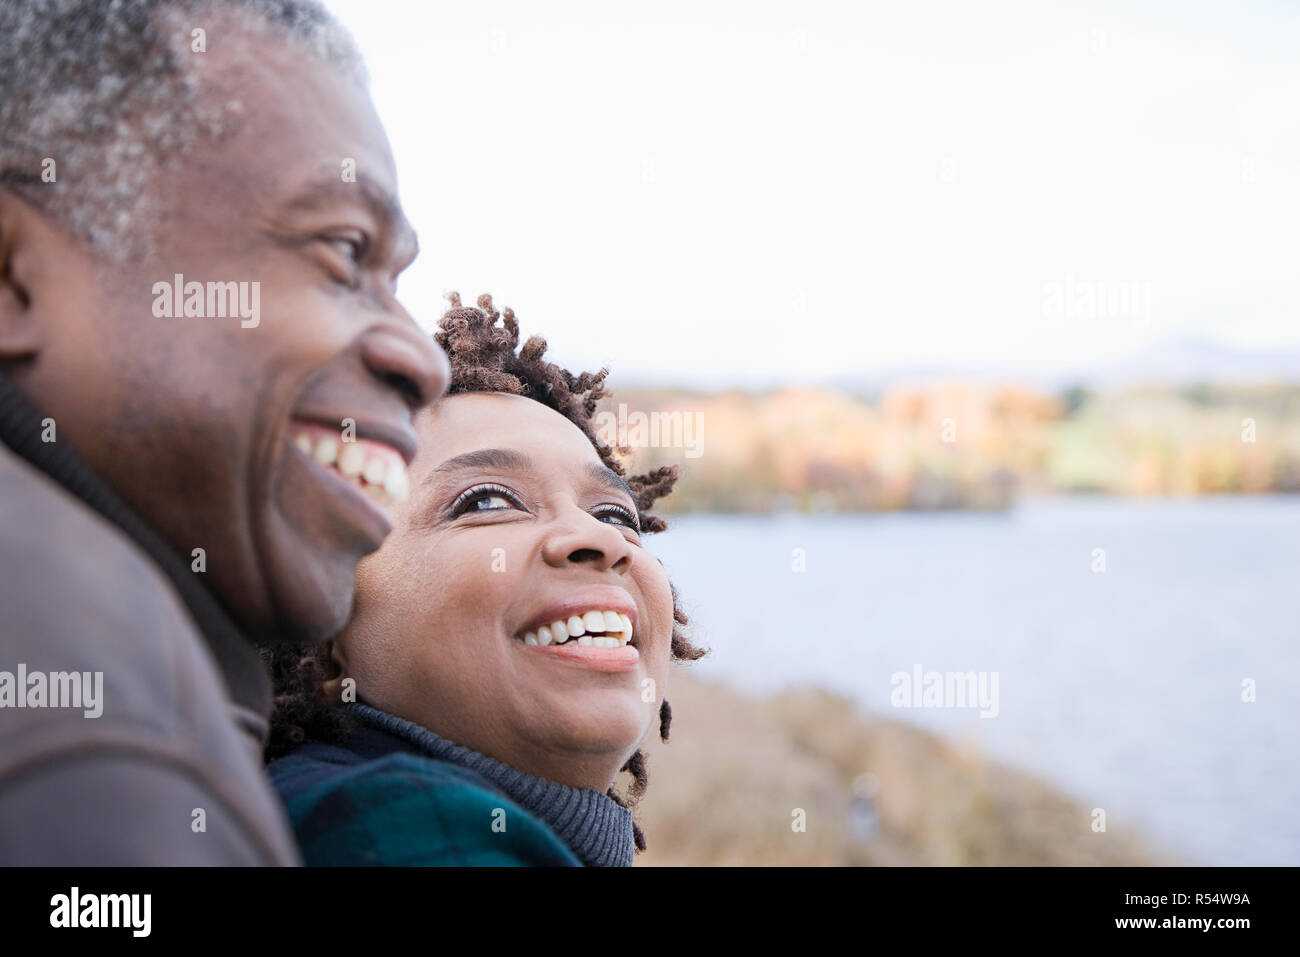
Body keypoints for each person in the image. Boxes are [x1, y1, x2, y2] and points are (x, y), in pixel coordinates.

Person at [0, 0, 448, 864]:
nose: (422, 359)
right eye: (345, 249)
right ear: (13, 278)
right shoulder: (103, 735)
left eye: (396, 276)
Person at [266, 294, 706, 865]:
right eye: (488, 500)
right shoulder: (388, 825)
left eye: (615, 515)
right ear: (321, 625)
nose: (598, 539)